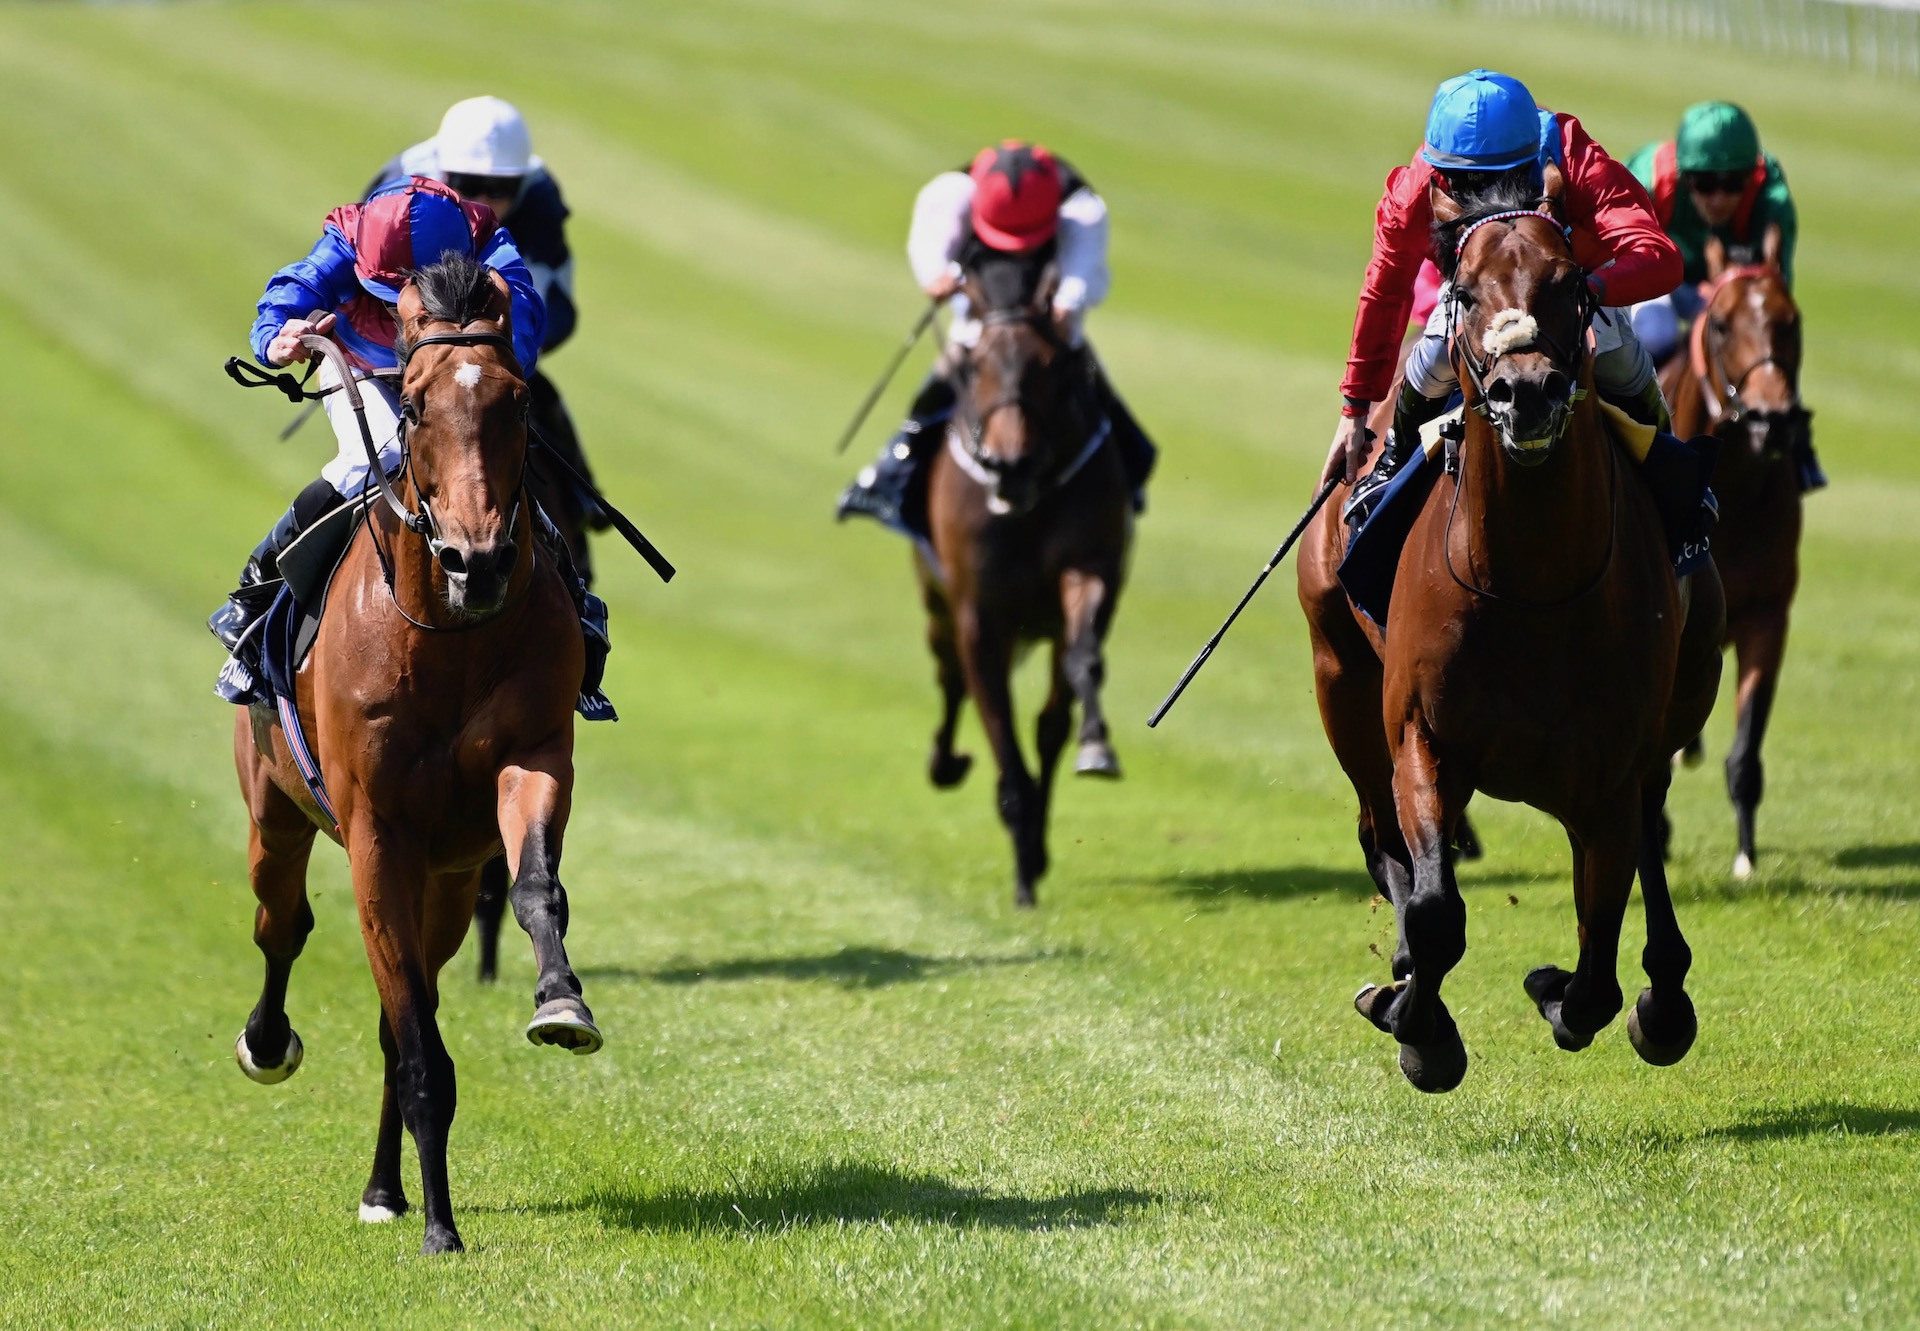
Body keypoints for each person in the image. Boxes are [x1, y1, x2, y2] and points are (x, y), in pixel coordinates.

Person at [208, 175, 614, 720]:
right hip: (364, 368)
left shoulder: (490, 245)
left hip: (457, 374)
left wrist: (470, 377)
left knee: (497, 467)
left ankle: (575, 609)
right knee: (370, 458)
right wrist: (279, 337)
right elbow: (289, 293)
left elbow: (526, 327)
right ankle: (257, 591)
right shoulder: (350, 238)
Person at [1329, 69, 1683, 512]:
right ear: (1440, 170)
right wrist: (1355, 409)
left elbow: (1658, 256)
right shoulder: (1419, 185)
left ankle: (1676, 491)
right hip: (1482, 298)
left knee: (1627, 363)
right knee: (1434, 352)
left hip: (1570, 291)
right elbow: (1385, 289)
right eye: (1463, 185)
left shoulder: (1572, 154)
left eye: (1496, 185)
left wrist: (1588, 288)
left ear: (1530, 161)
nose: (1479, 200)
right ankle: (1391, 464)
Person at [836, 140, 1156, 534]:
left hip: (1050, 329)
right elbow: (929, 249)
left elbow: (1081, 275)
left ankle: (1132, 467)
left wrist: (1066, 304)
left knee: (1092, 384)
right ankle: (889, 471)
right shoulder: (951, 195)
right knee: (940, 382)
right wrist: (934, 278)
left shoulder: (1081, 211)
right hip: (981, 324)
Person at [368, 95, 608, 579]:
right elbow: (366, 273)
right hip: (407, 346)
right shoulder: (399, 181)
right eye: (470, 184)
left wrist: (494, 358)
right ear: (441, 169)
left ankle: (581, 509)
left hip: (498, 340)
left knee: (535, 398)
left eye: (502, 187)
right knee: (363, 457)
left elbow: (550, 305)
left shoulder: (540, 201)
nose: (487, 199)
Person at [1624, 101, 1798, 366]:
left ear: (1752, 176)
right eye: (1704, 184)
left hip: (1726, 289)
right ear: (1684, 175)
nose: (1718, 200)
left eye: (1733, 184)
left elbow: (1775, 302)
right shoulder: (1648, 179)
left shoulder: (1771, 200)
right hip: (1654, 276)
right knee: (1656, 335)